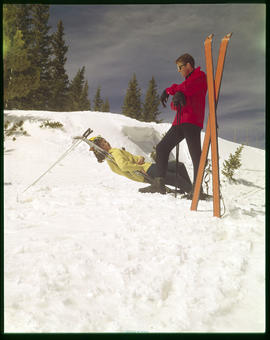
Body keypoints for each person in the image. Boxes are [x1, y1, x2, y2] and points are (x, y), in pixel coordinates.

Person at [139, 53, 207, 198]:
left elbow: (186, 88)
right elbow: (175, 102)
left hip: (192, 121)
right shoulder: (185, 83)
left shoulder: (200, 76)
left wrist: (177, 92)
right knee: (162, 148)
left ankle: (197, 189)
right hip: (179, 122)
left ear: (189, 65)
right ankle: (159, 183)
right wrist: (170, 92)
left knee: (195, 155)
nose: (179, 71)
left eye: (180, 67)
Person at [89, 135, 192, 194]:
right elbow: (124, 166)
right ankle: (194, 193)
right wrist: (139, 167)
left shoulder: (112, 156)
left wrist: (140, 158)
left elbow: (131, 160)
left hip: (148, 166)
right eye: (103, 144)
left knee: (179, 166)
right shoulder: (114, 153)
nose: (107, 143)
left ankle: (191, 191)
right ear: (101, 149)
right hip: (146, 170)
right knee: (175, 176)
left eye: (106, 141)